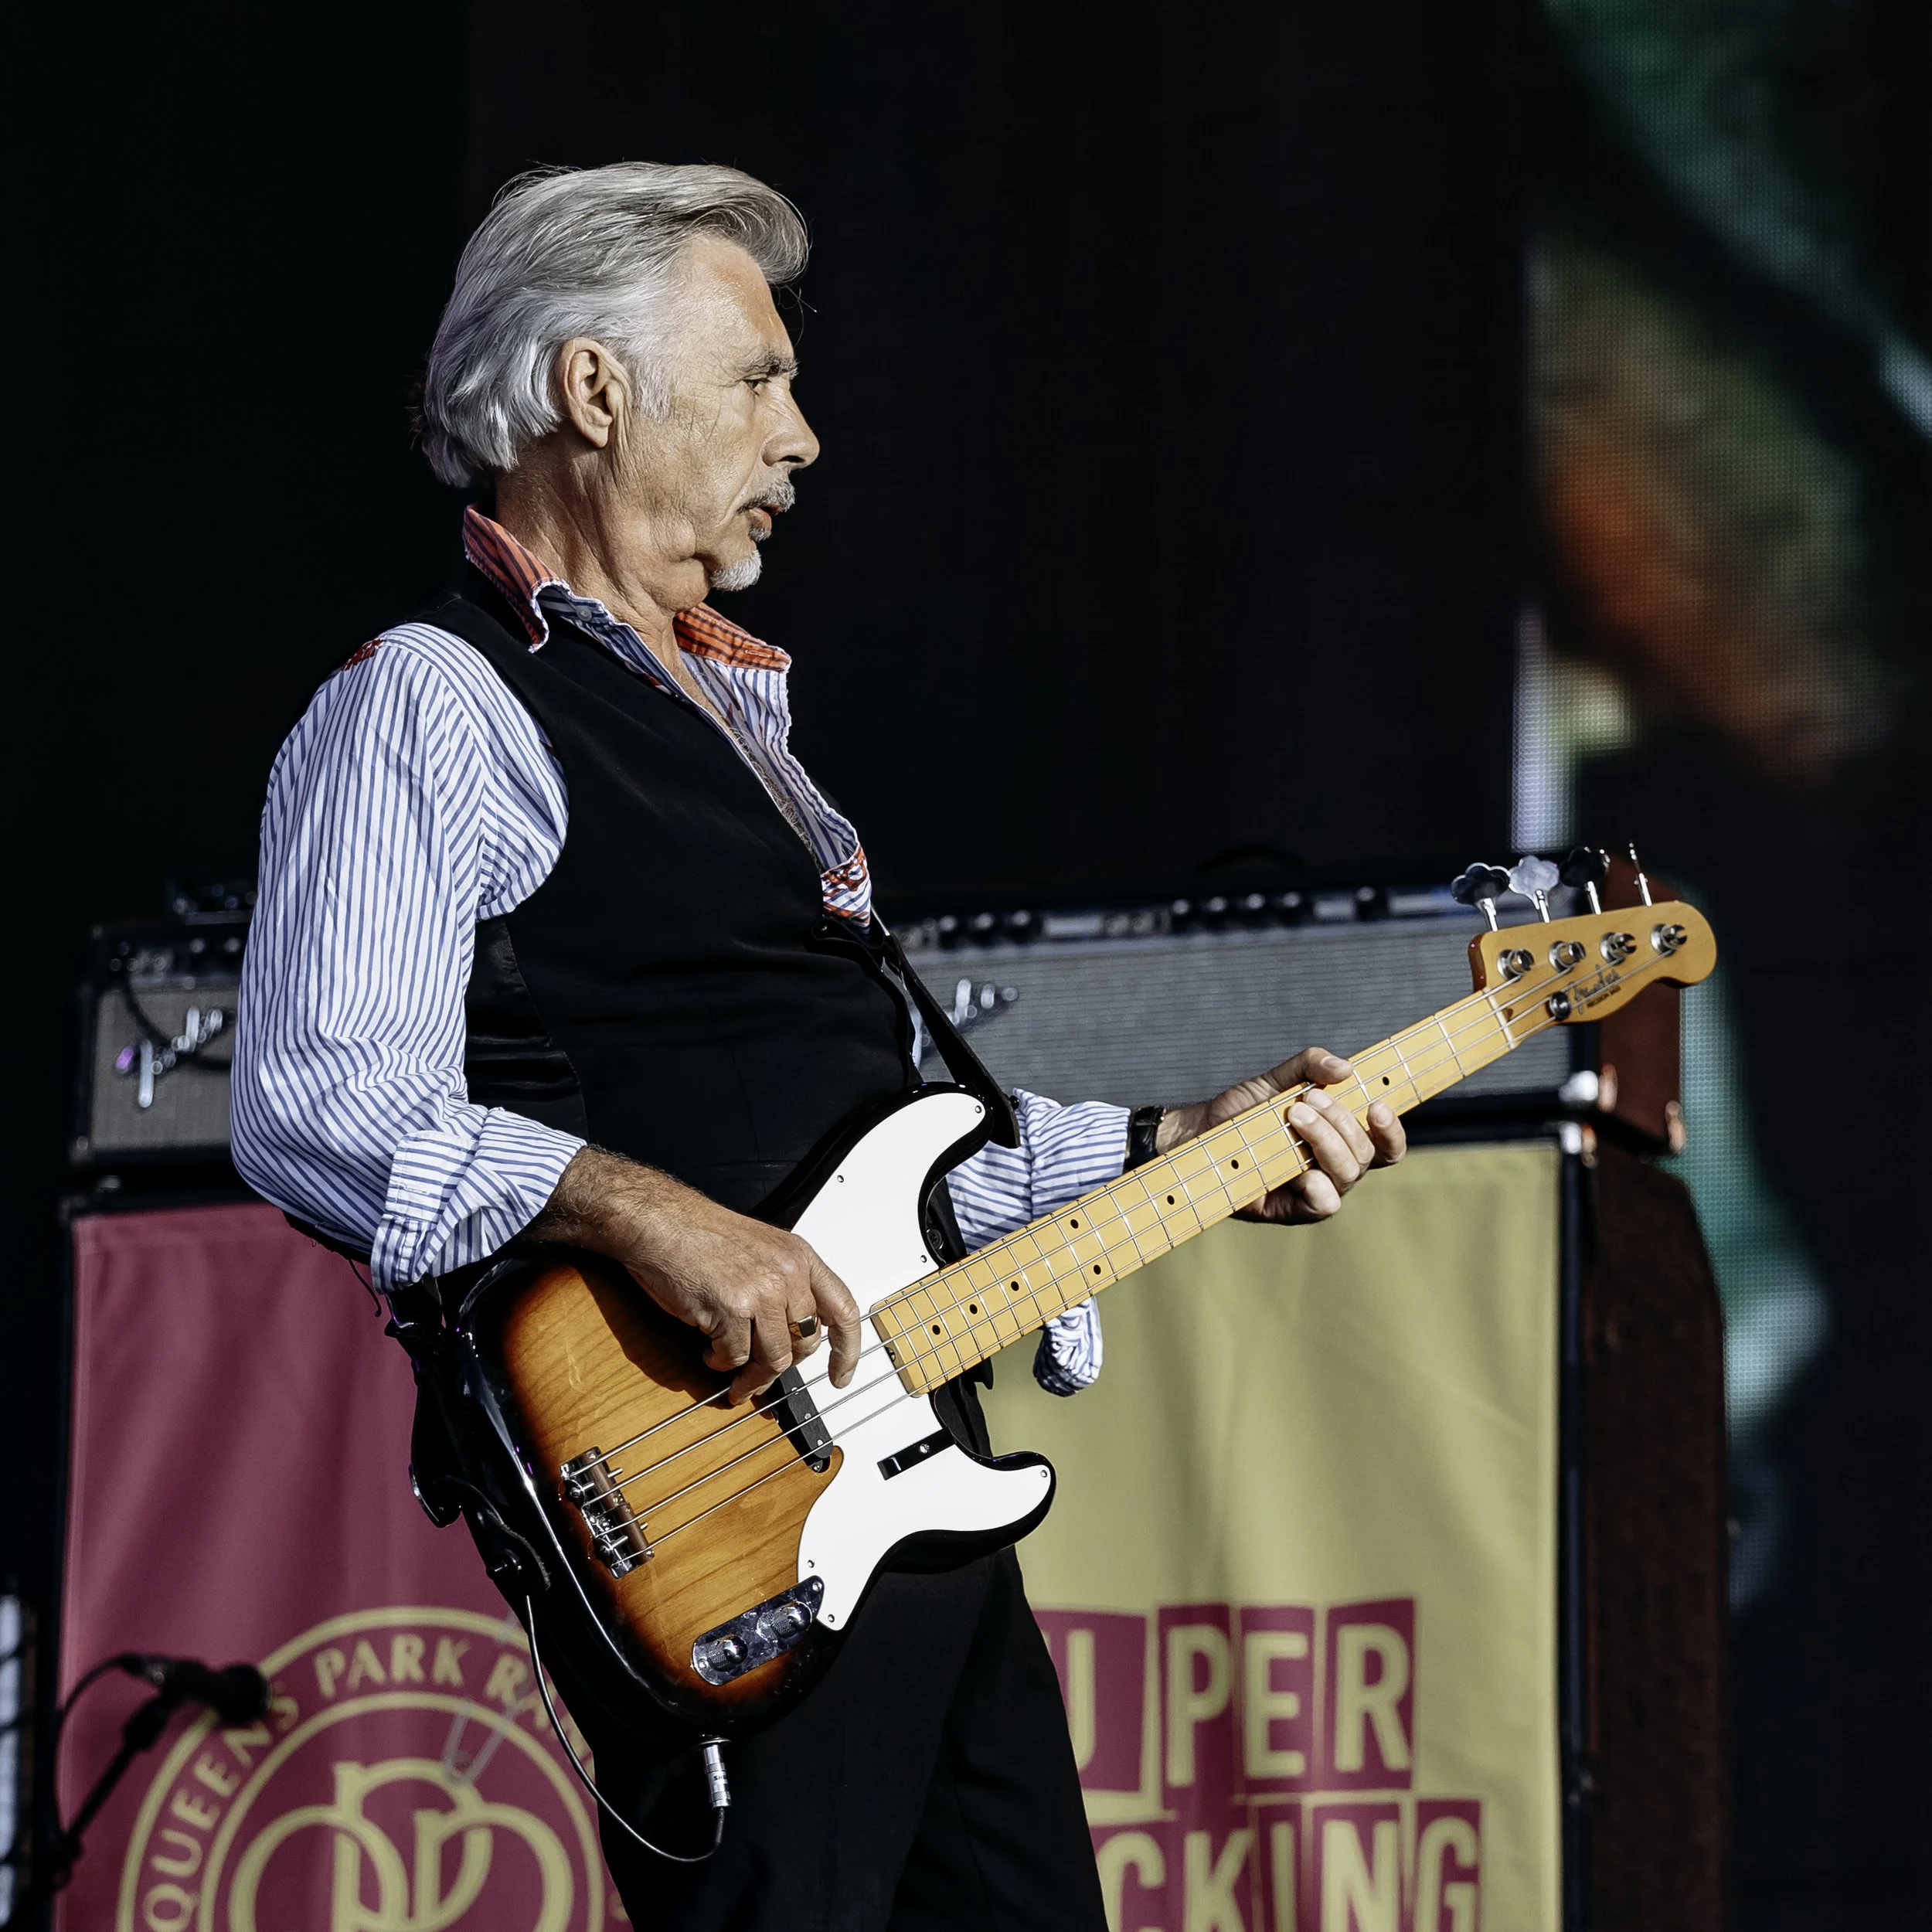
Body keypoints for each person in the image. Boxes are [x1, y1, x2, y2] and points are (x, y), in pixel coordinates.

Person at [231, 162, 1405, 1932]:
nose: (805, 433)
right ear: (593, 390)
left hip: (899, 1485)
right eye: (758, 378)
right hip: (714, 1518)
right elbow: (319, 1098)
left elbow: (884, 1151)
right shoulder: (432, 697)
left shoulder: (732, 714)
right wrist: (646, 1214)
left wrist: (1186, 1143)